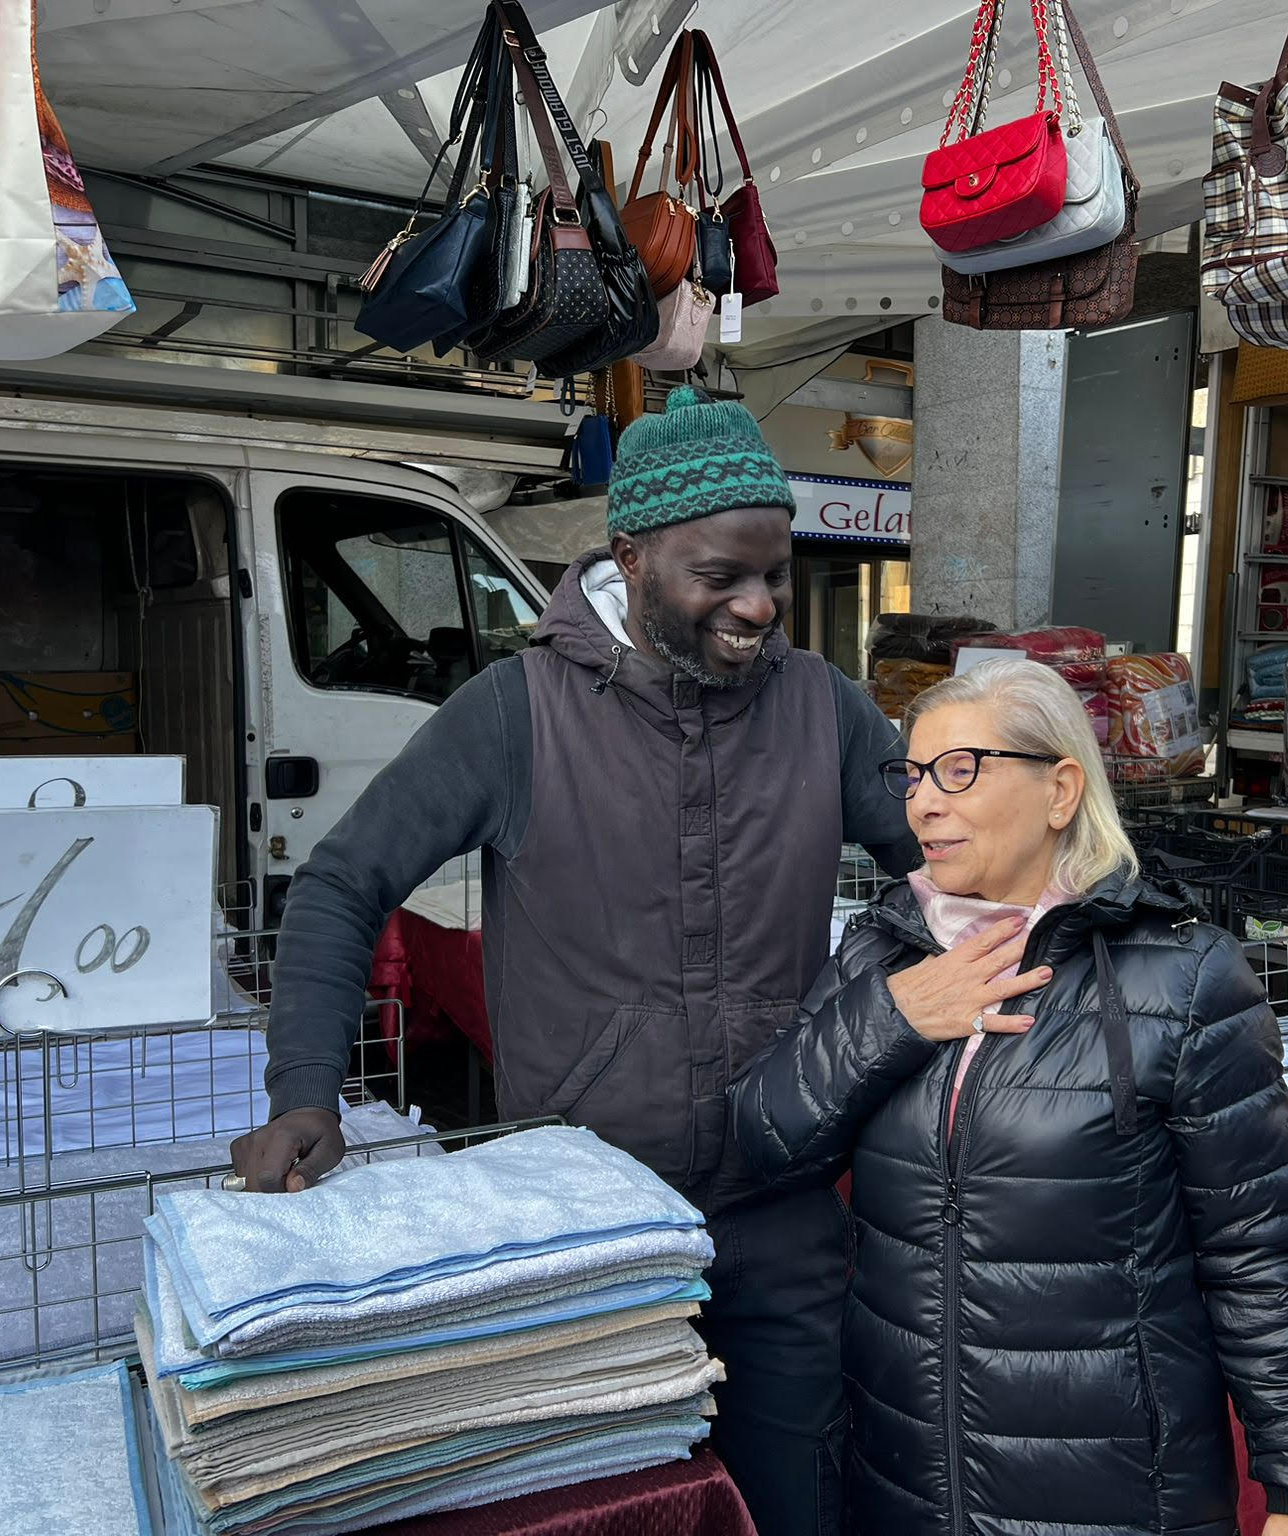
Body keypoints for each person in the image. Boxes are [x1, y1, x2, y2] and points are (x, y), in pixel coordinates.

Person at [229, 386, 918, 1536]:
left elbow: (939, 865)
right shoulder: (515, 712)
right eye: (719, 577)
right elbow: (343, 883)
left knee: (799, 1501)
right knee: (616, 1514)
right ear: (631, 557)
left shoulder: (825, 711)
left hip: (785, 1213)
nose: (757, 605)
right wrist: (305, 1087)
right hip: (586, 1224)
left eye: (775, 575)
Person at [729, 658, 1288, 1536]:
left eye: (960, 771)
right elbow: (765, 1139)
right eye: (912, 775)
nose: (923, 804)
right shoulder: (886, 952)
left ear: (1060, 790)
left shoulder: (1182, 977)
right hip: (904, 1475)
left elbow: (1254, 1256)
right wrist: (895, 1019)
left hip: (1113, 1492)